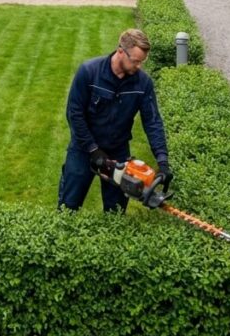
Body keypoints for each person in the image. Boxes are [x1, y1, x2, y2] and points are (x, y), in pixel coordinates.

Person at [57, 28, 173, 212]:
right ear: (120, 51)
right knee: (68, 206)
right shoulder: (89, 72)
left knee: (116, 211)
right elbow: (74, 114)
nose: (139, 66)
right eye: (135, 61)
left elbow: (152, 122)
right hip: (83, 149)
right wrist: (92, 149)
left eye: (142, 62)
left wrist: (163, 161)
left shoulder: (143, 83)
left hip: (118, 150)